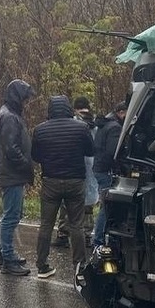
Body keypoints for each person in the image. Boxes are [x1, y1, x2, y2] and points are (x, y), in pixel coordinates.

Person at [30, 95, 94, 278]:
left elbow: (36, 156)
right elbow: (90, 151)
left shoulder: (40, 130)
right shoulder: (81, 127)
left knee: (46, 224)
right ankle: (80, 266)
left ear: (50, 110)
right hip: (75, 180)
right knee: (77, 225)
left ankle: (42, 265)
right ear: (68, 109)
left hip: (51, 180)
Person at [0, 79, 35, 275]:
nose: (27, 102)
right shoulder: (9, 116)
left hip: (12, 173)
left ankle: (4, 252)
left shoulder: (10, 113)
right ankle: (8, 260)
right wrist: (26, 164)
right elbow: (11, 148)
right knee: (11, 216)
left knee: (13, 215)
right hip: (12, 174)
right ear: (17, 97)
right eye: (25, 98)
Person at [54, 96, 97, 246]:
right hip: (91, 166)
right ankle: (86, 235)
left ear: (75, 108)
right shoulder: (95, 123)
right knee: (88, 205)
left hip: (71, 166)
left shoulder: (71, 122)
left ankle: (63, 234)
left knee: (67, 201)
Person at [92, 99, 127, 248]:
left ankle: (101, 238)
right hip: (107, 171)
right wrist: (121, 167)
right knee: (107, 208)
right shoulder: (115, 128)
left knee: (105, 205)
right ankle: (99, 240)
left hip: (100, 169)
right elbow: (113, 153)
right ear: (120, 112)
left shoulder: (105, 124)